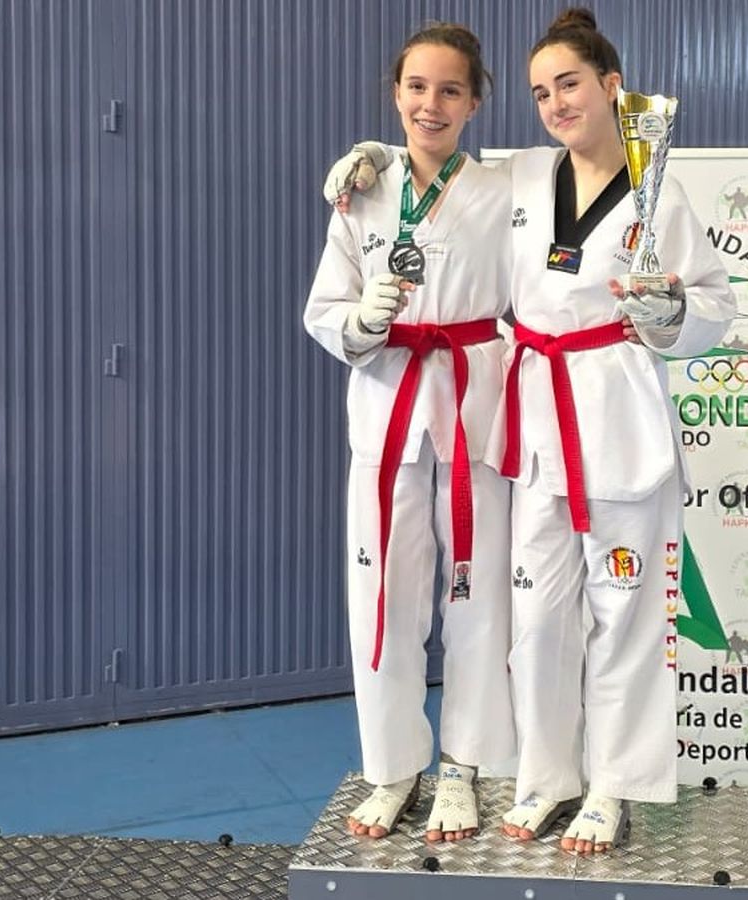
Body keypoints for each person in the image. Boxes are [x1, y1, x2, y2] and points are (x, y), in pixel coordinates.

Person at [325, 7, 735, 856]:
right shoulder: (524, 175)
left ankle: (613, 784)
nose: (555, 103)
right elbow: (433, 165)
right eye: (542, 92)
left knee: (624, 617)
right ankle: (548, 775)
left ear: (612, 87)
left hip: (618, 418)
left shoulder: (658, 189)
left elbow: (712, 306)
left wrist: (670, 310)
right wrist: (374, 154)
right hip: (535, 427)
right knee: (536, 620)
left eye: (570, 84)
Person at [303, 21, 515, 845]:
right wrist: (359, 322)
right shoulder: (360, 192)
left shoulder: (504, 190)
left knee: (476, 595)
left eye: (450, 90)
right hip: (387, 409)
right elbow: (324, 308)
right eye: (417, 87)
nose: (432, 104)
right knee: (383, 596)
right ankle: (392, 768)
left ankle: (463, 767)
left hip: (472, 412)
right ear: (395, 95)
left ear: (475, 102)